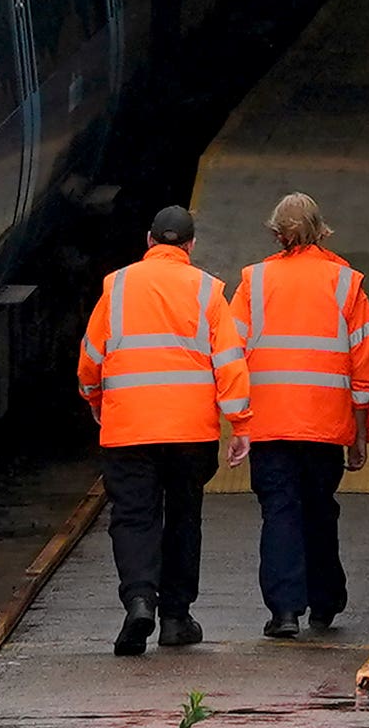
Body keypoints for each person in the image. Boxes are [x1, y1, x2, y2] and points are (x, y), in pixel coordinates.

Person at [75, 206, 250, 655]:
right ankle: (175, 618)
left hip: (129, 428)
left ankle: (139, 601)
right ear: (190, 246)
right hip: (191, 433)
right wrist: (240, 425)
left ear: (149, 240)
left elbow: (91, 357)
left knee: (134, 516)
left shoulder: (115, 287)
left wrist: (96, 400)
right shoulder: (209, 291)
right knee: (183, 517)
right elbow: (229, 362)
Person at [234, 192, 369, 638]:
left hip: (270, 426)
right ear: (322, 229)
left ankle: (284, 611)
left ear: (278, 235)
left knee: (280, 511)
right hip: (324, 426)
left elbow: (230, 354)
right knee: (319, 509)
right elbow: (364, 369)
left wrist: (236, 422)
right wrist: (359, 433)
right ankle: (325, 603)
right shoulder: (347, 284)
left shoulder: (253, 283)